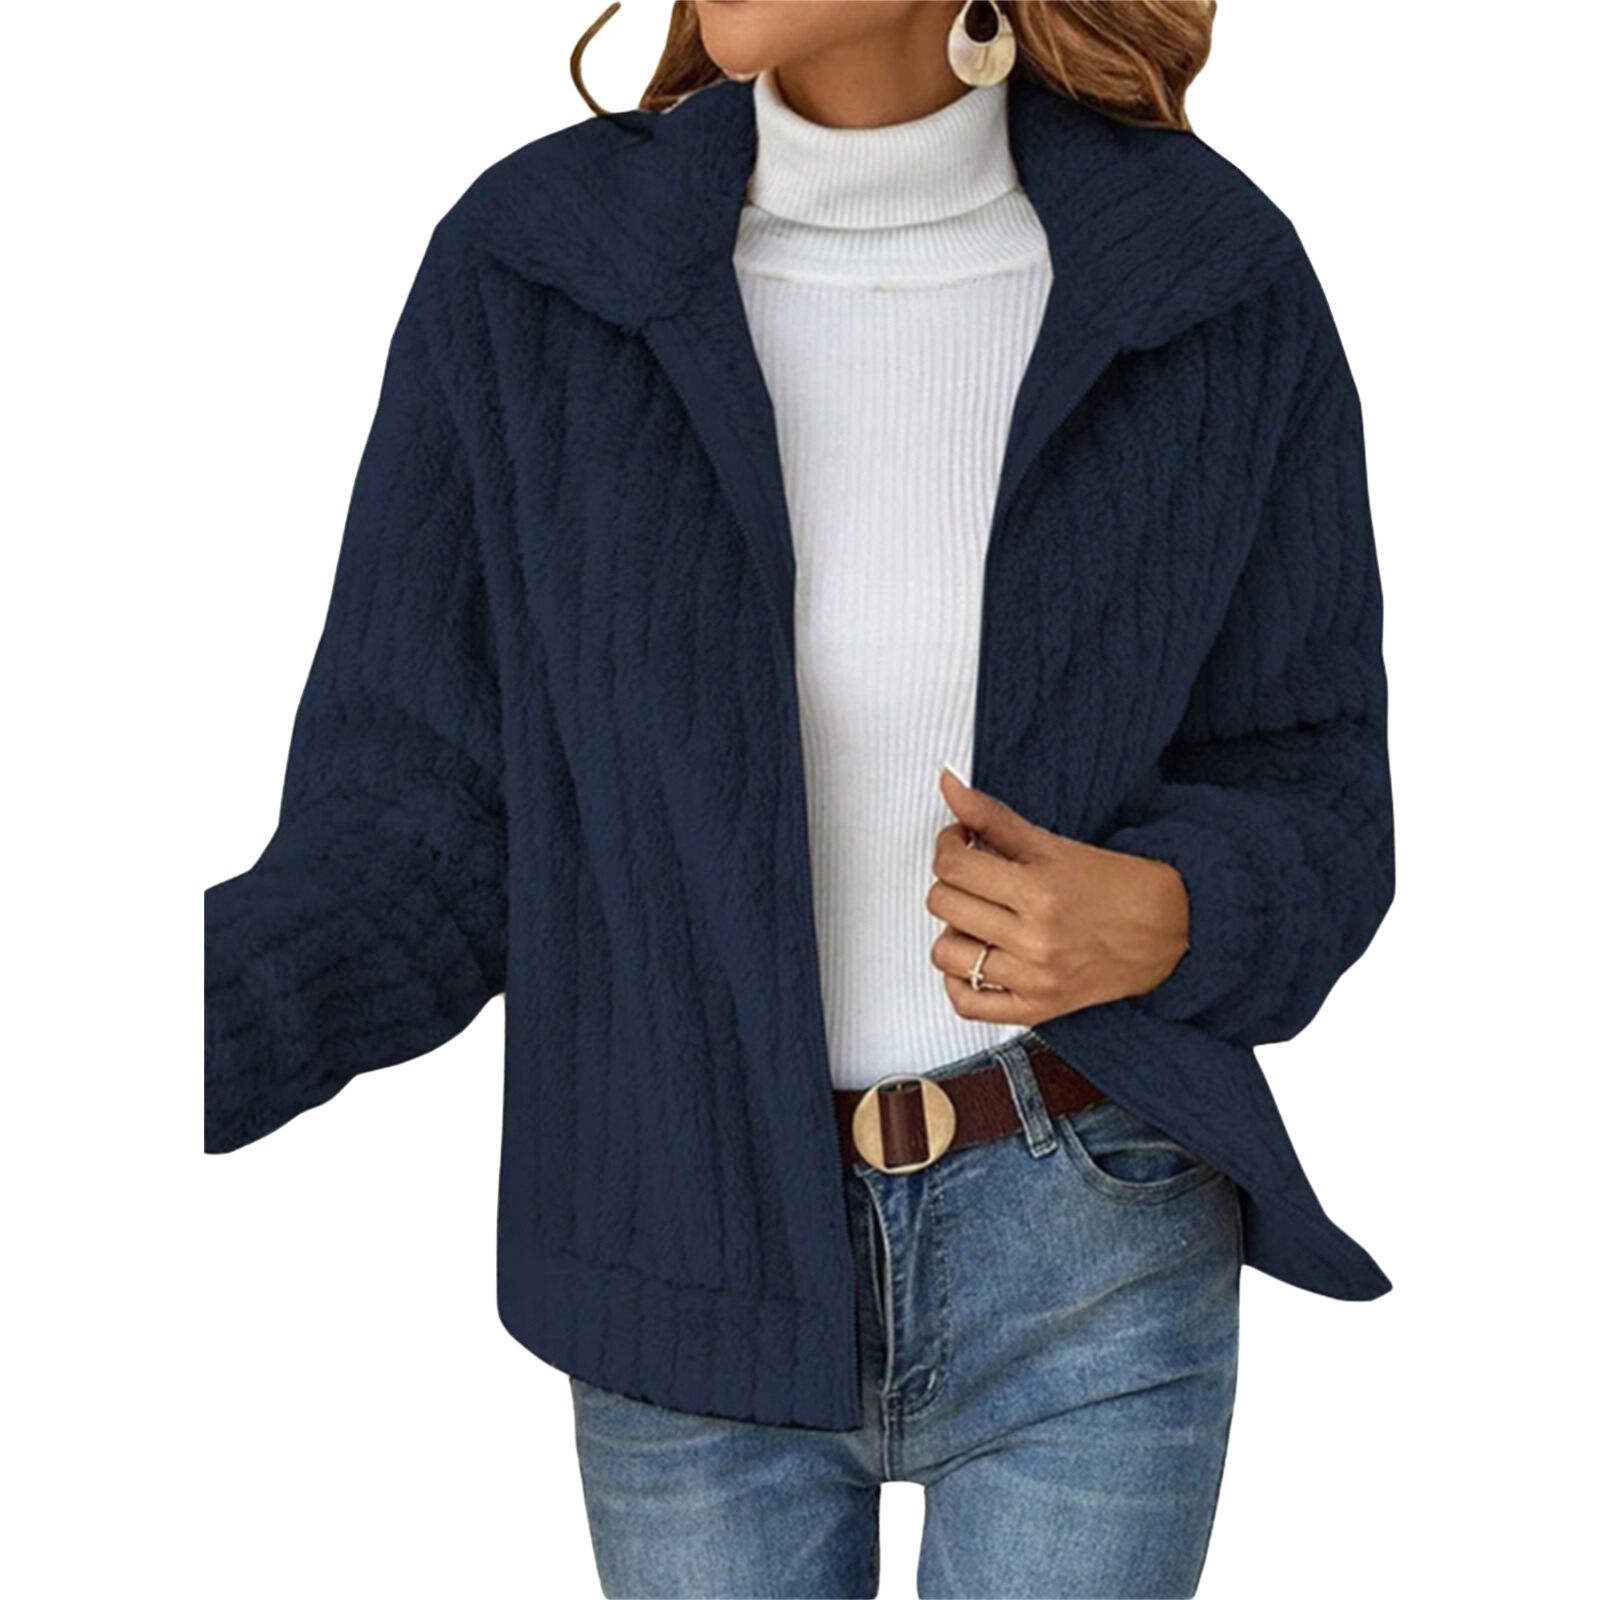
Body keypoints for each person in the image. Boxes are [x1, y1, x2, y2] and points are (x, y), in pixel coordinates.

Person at [203, 3, 1396, 1595]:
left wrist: (1177, 911)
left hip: (1091, 1238)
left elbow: (1320, 782)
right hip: (680, 1236)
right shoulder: (534, 267)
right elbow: (415, 836)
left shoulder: (1208, 271)